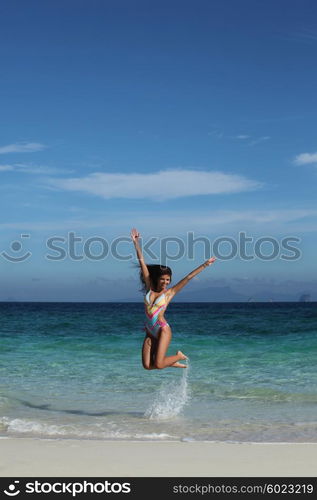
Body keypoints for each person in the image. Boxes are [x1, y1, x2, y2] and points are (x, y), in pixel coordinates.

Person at [130, 228, 216, 370]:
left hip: (163, 329)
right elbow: (142, 263)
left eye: (168, 280)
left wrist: (205, 264)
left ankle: (179, 356)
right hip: (149, 330)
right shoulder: (149, 287)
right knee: (147, 365)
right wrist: (136, 243)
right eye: (163, 279)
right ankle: (170, 362)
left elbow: (188, 278)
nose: (166, 282)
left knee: (158, 364)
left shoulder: (169, 293)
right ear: (157, 279)